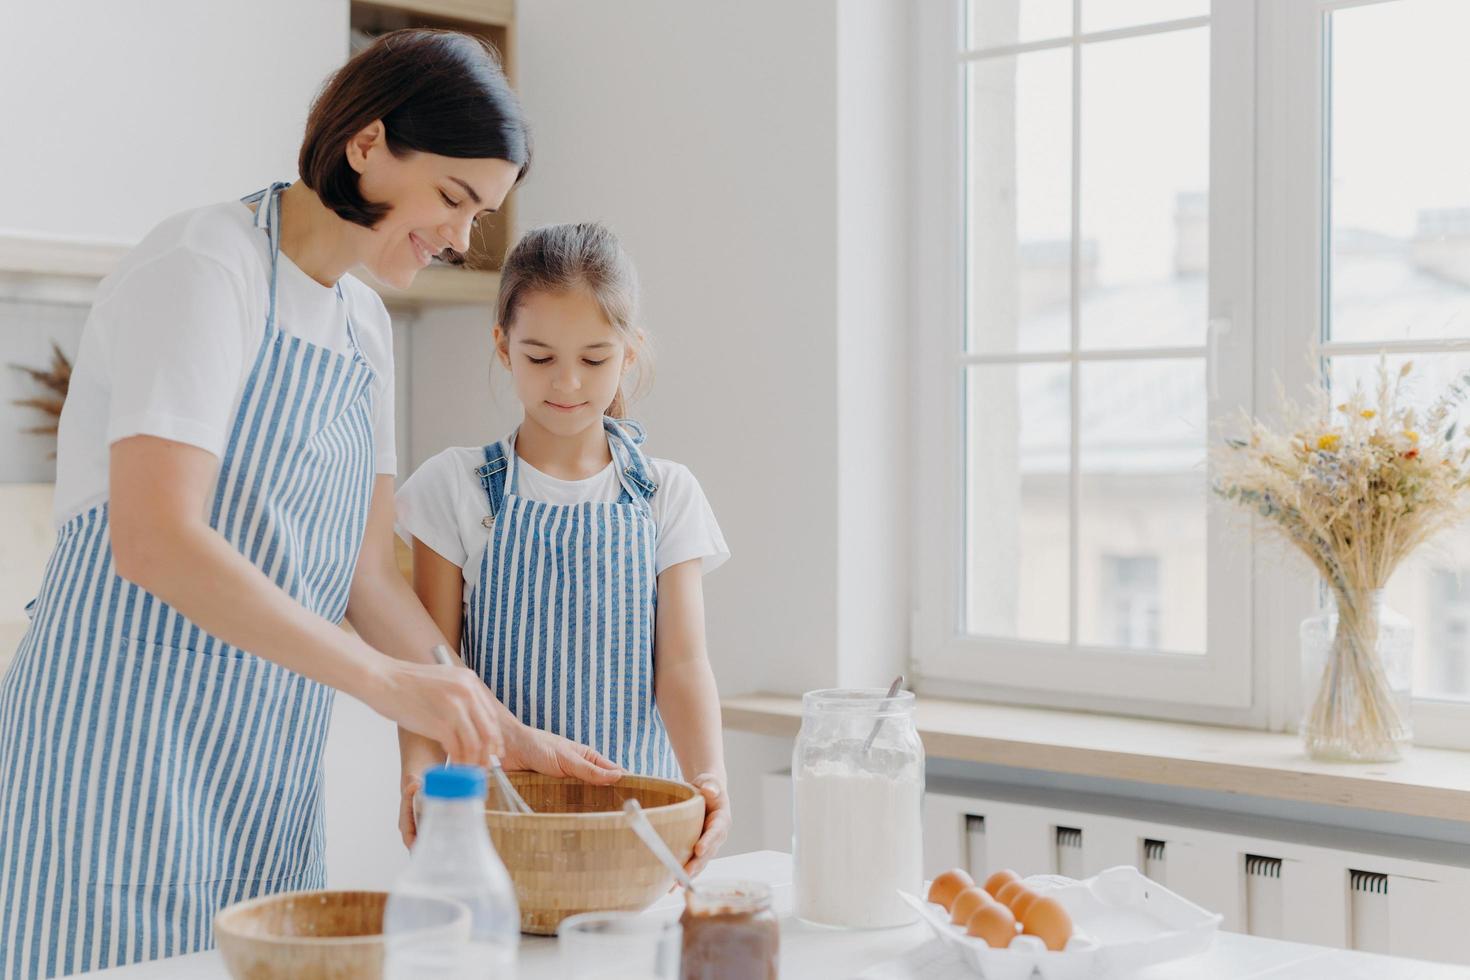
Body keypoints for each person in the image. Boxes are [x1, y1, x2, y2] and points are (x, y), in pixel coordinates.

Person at [0, 31, 617, 979]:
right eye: (454, 199)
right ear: (367, 144)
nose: (462, 238)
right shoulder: (207, 267)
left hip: (260, 770)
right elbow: (156, 540)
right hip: (113, 760)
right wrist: (384, 685)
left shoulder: (362, 326)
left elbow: (369, 578)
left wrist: (497, 728)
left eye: (481, 214)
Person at [395, 222, 732, 873]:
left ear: (630, 353)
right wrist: (417, 773)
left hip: (636, 831)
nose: (569, 383)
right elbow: (432, 668)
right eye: (541, 357)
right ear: (503, 347)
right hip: (495, 830)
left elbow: (683, 667)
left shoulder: (667, 495)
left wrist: (709, 777)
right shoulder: (455, 488)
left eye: (595, 358)